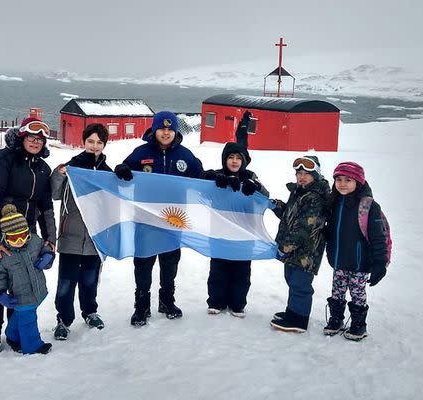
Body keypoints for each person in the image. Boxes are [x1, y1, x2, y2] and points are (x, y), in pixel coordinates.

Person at [0, 116, 57, 353]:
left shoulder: (42, 169)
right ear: (21, 137)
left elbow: (46, 208)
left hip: (22, 238)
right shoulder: (3, 160)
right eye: (31, 137)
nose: (35, 142)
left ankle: (15, 335)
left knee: (20, 284)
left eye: (40, 139)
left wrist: (50, 241)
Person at [114, 111, 204, 326]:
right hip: (145, 220)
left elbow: (202, 179)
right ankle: (141, 307)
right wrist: (121, 169)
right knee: (144, 263)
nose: (166, 132)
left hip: (174, 220)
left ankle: (167, 301)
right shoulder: (140, 152)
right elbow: (121, 176)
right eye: (162, 129)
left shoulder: (185, 155)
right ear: (154, 130)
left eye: (170, 129)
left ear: (175, 131)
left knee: (170, 263)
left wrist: (218, 178)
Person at [50, 123, 112, 340]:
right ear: (84, 142)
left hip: (95, 240)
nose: (94, 146)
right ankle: (63, 320)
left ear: (104, 144)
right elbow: (55, 194)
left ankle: (90, 312)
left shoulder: (106, 173)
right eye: (91, 141)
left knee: (89, 281)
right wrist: (59, 174)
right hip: (71, 239)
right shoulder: (71, 168)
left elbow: (114, 203)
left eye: (99, 142)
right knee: (66, 282)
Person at [201, 142, 268, 317]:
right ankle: (216, 301)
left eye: (239, 158)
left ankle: (238, 303)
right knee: (218, 270)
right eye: (230, 157)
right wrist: (212, 178)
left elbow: (265, 196)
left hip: (244, 234)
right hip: (219, 233)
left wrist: (256, 186)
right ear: (224, 160)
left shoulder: (251, 176)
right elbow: (201, 187)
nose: (234, 161)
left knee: (241, 272)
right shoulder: (218, 176)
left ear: (245, 161)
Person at [323, 162, 388, 341]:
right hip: (338, 260)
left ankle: (359, 325)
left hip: (359, 263)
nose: (342, 184)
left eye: (348, 180)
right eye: (338, 179)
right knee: (337, 292)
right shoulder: (333, 202)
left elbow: (378, 237)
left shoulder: (369, 206)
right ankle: (336, 320)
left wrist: (380, 263)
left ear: (358, 182)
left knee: (358, 294)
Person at [269, 156, 330, 333]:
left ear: (316, 176)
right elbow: (290, 217)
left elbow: (304, 227)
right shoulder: (299, 192)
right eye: (299, 173)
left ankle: (299, 319)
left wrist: (285, 247)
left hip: (307, 251)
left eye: (307, 174)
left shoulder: (316, 198)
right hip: (294, 250)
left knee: (300, 284)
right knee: (291, 279)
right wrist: (277, 206)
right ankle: (292, 312)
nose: (302, 177)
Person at [0, 204, 54, 355]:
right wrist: (0, 293)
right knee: (28, 320)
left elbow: (45, 247)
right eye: (14, 237)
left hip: (37, 289)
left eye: (23, 234)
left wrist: (48, 255)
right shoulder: (2, 255)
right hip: (20, 294)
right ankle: (32, 346)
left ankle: (12, 334)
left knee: (22, 314)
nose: (20, 240)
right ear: (5, 236)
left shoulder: (34, 241)